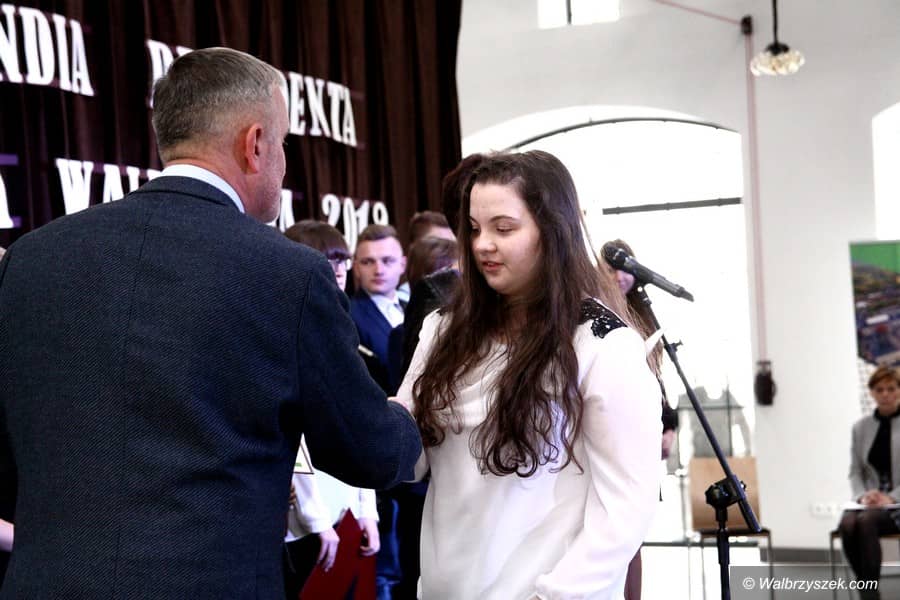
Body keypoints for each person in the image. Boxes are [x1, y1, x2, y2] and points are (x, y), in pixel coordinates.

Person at [0, 47, 420, 599]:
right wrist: (414, 409)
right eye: (284, 144)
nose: (284, 162)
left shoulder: (29, 259)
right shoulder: (289, 274)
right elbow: (368, 451)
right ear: (255, 144)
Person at [396, 150, 662, 599]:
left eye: (503, 228)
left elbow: (625, 508)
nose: (482, 244)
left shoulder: (601, 343)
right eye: (474, 229)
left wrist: (554, 594)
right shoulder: (441, 329)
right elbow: (408, 456)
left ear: (552, 231)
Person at [282, 221, 381, 599]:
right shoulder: (286, 333)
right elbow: (292, 436)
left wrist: (367, 508)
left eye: (342, 261)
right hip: (304, 522)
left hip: (346, 512)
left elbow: (358, 426)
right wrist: (316, 519)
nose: (338, 270)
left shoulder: (343, 331)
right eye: (326, 260)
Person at [600, 239, 679, 600]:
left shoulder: (642, 315)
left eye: (625, 269)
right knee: (610, 532)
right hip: (607, 432)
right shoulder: (593, 313)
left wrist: (670, 425)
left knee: (634, 535)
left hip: (641, 433)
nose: (619, 277)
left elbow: (658, 382)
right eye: (611, 269)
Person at [838, 365, 900, 598]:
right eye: (879, 389)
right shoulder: (860, 427)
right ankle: (867, 588)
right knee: (847, 524)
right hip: (870, 499)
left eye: (891, 389)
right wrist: (863, 495)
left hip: (896, 501)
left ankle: (868, 593)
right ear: (872, 392)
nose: (885, 394)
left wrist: (890, 497)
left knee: (865, 523)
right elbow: (855, 471)